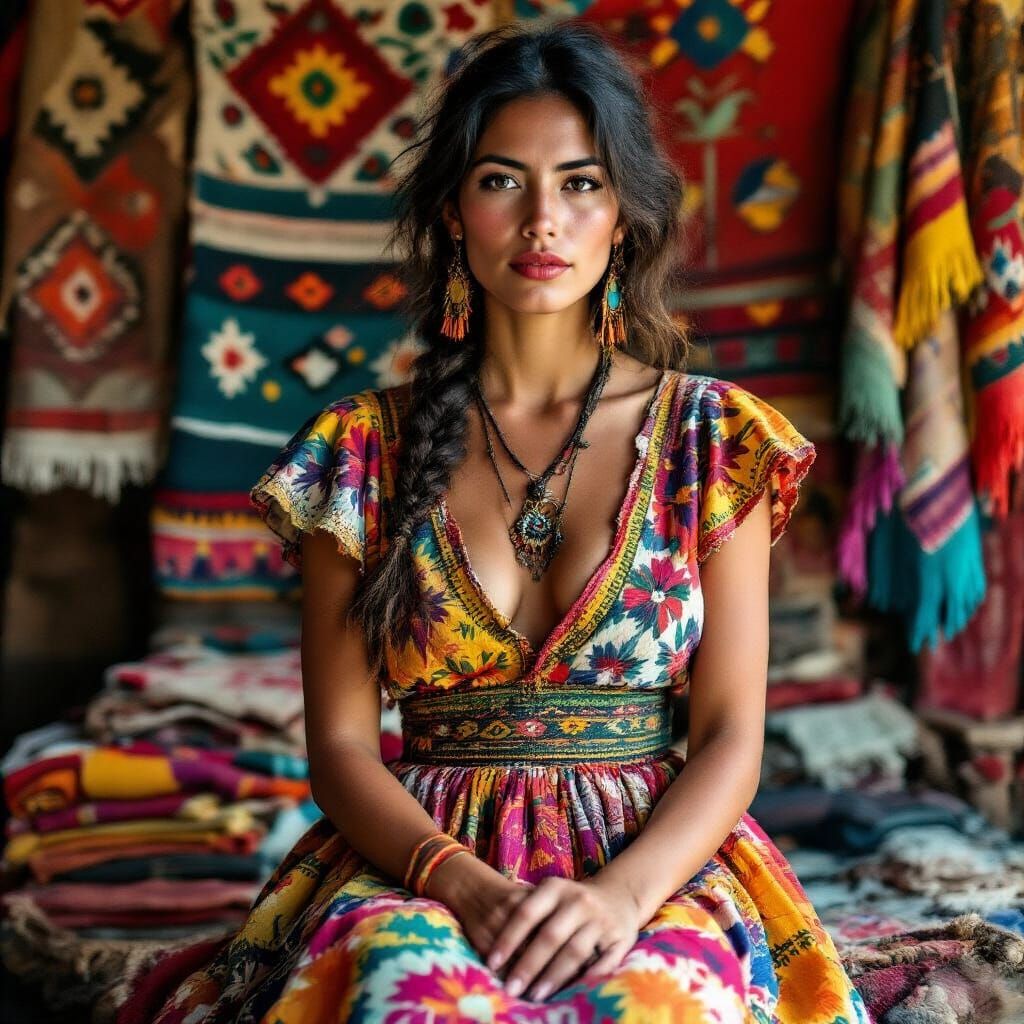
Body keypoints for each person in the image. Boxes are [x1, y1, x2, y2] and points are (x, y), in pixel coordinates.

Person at [122, 20, 870, 1024]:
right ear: (451, 212)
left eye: (579, 183)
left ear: (626, 217)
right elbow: (342, 748)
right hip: (418, 864)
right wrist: (460, 881)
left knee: (654, 1000)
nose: (541, 222)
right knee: (403, 996)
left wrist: (620, 898)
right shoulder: (357, 453)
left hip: (649, 862)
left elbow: (732, 733)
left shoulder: (712, 437)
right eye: (502, 181)